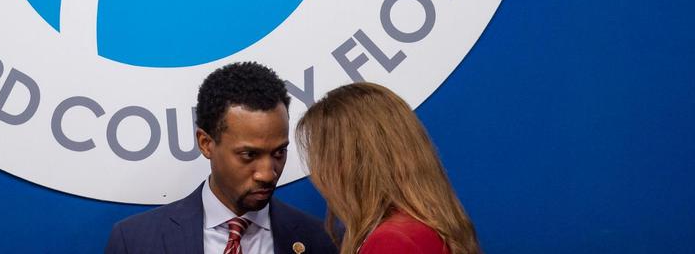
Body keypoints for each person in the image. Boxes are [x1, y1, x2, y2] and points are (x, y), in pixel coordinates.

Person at [106, 61, 335, 254]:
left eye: (278, 153)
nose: (267, 173)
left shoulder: (323, 241)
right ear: (206, 144)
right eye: (249, 155)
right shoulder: (135, 242)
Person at [295, 83, 481, 254]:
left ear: (348, 161)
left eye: (321, 157)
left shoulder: (390, 242)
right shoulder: (421, 228)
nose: (319, 174)